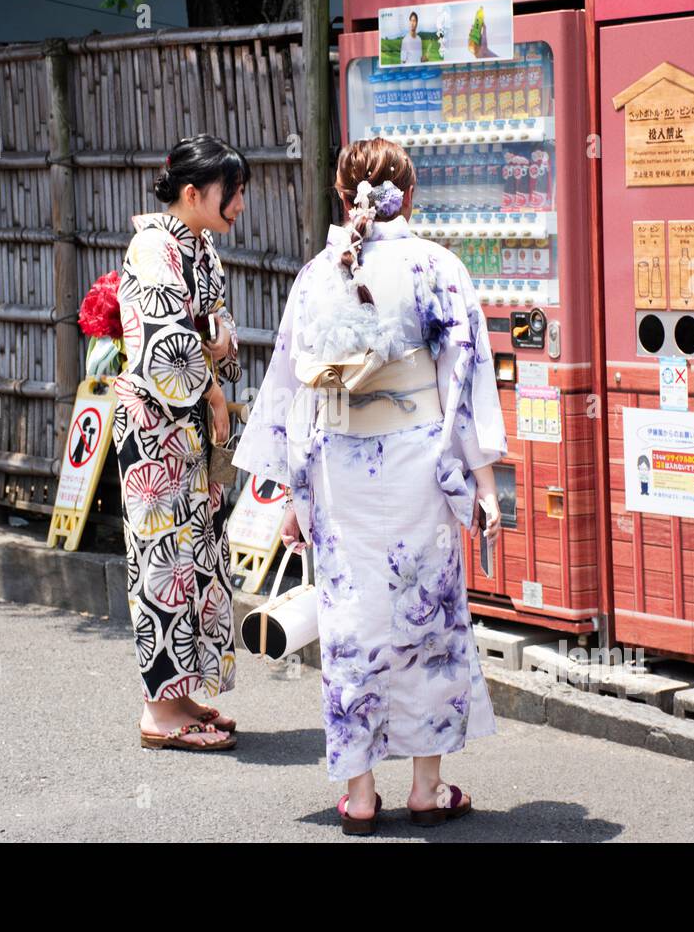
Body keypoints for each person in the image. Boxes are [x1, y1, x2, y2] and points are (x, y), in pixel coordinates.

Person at [233, 137, 508, 833]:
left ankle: (358, 797)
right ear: (408, 197)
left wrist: (293, 498)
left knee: (350, 624)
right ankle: (426, 788)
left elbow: (294, 392)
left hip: (338, 470)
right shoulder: (435, 267)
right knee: (428, 617)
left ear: (342, 195)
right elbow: (465, 377)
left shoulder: (318, 273)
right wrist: (484, 482)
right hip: (417, 462)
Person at [115, 134, 248, 751]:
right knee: (163, 563)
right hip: (157, 434)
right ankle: (158, 713)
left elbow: (218, 327)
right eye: (233, 192)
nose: (240, 204)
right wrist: (216, 392)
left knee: (198, 564)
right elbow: (165, 346)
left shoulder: (200, 247)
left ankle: (181, 693)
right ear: (193, 194)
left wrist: (218, 344)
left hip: (193, 436)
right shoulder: (151, 247)